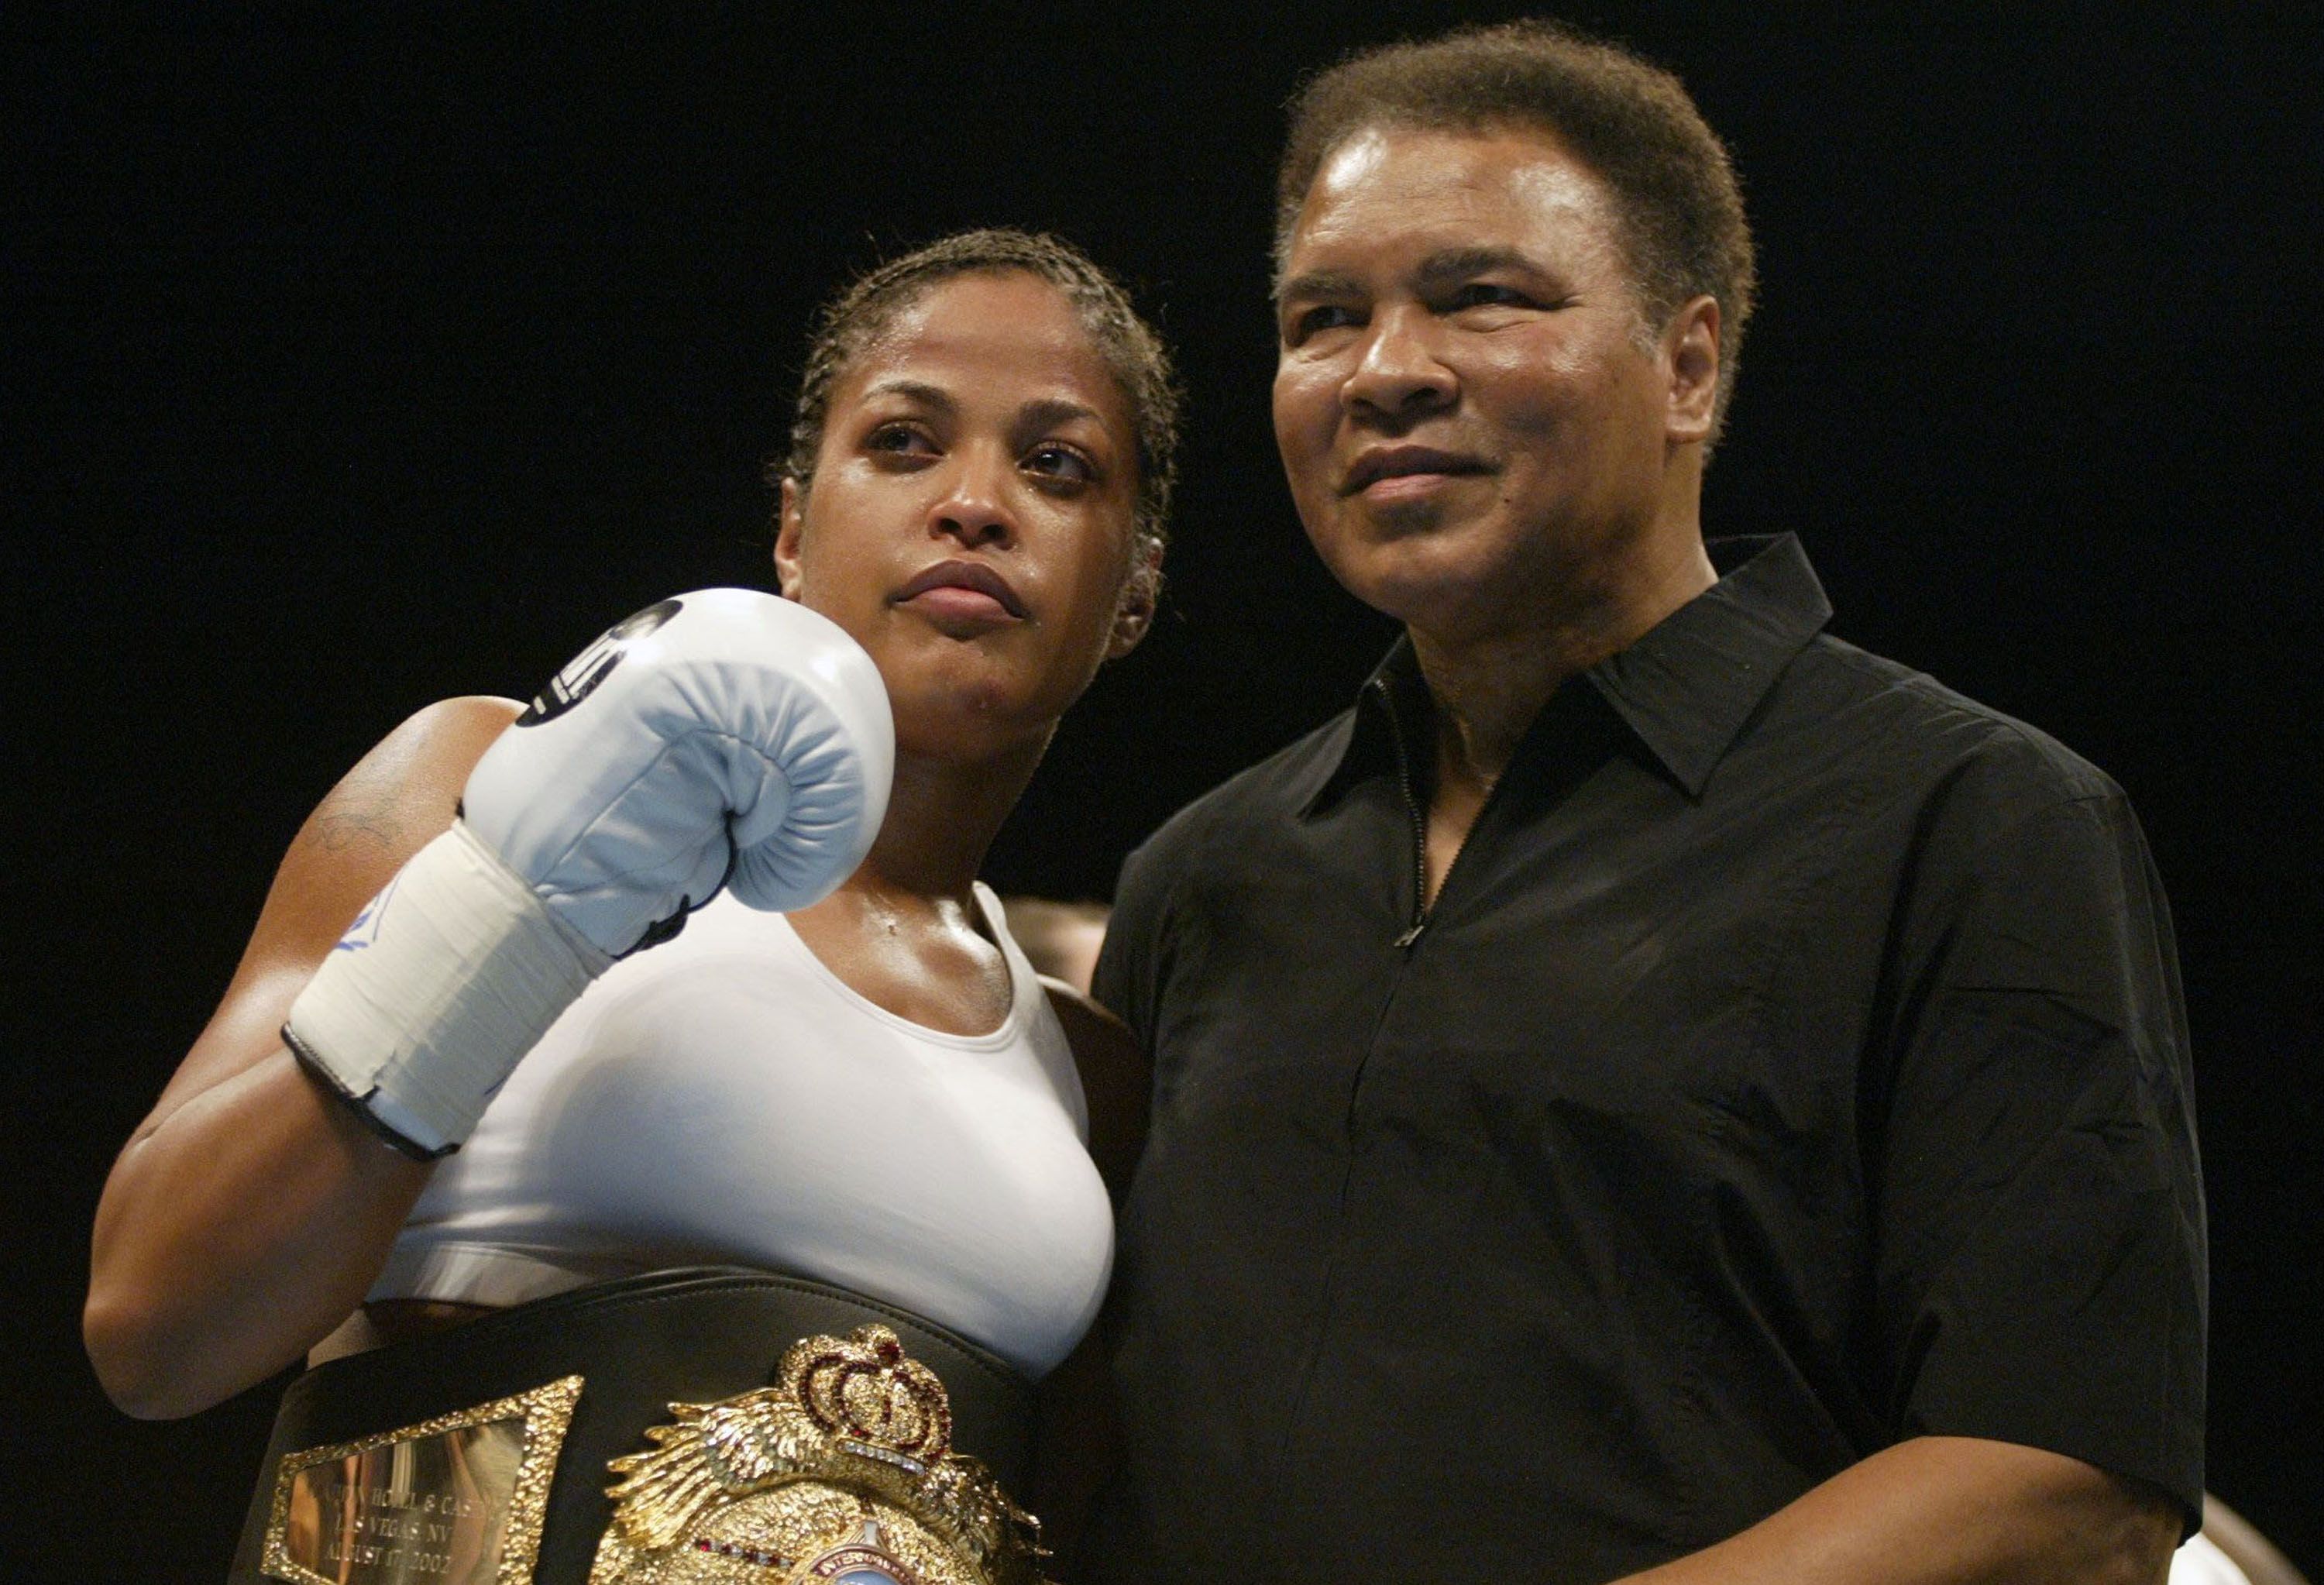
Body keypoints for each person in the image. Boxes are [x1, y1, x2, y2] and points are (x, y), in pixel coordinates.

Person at [1084, 21, 2203, 1585]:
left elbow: (2070, 1484)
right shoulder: (1200, 876)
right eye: (1323, 317)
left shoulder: (1974, 820)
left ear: (1689, 364)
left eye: (1481, 296)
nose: (1388, 370)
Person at [83, 227, 1175, 1584]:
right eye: (903, 443)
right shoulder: (471, 780)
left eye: (1056, 465)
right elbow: (152, 1325)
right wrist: (517, 909)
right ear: (791, 528)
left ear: (1135, 589)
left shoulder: (1089, 1071)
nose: (974, 501)